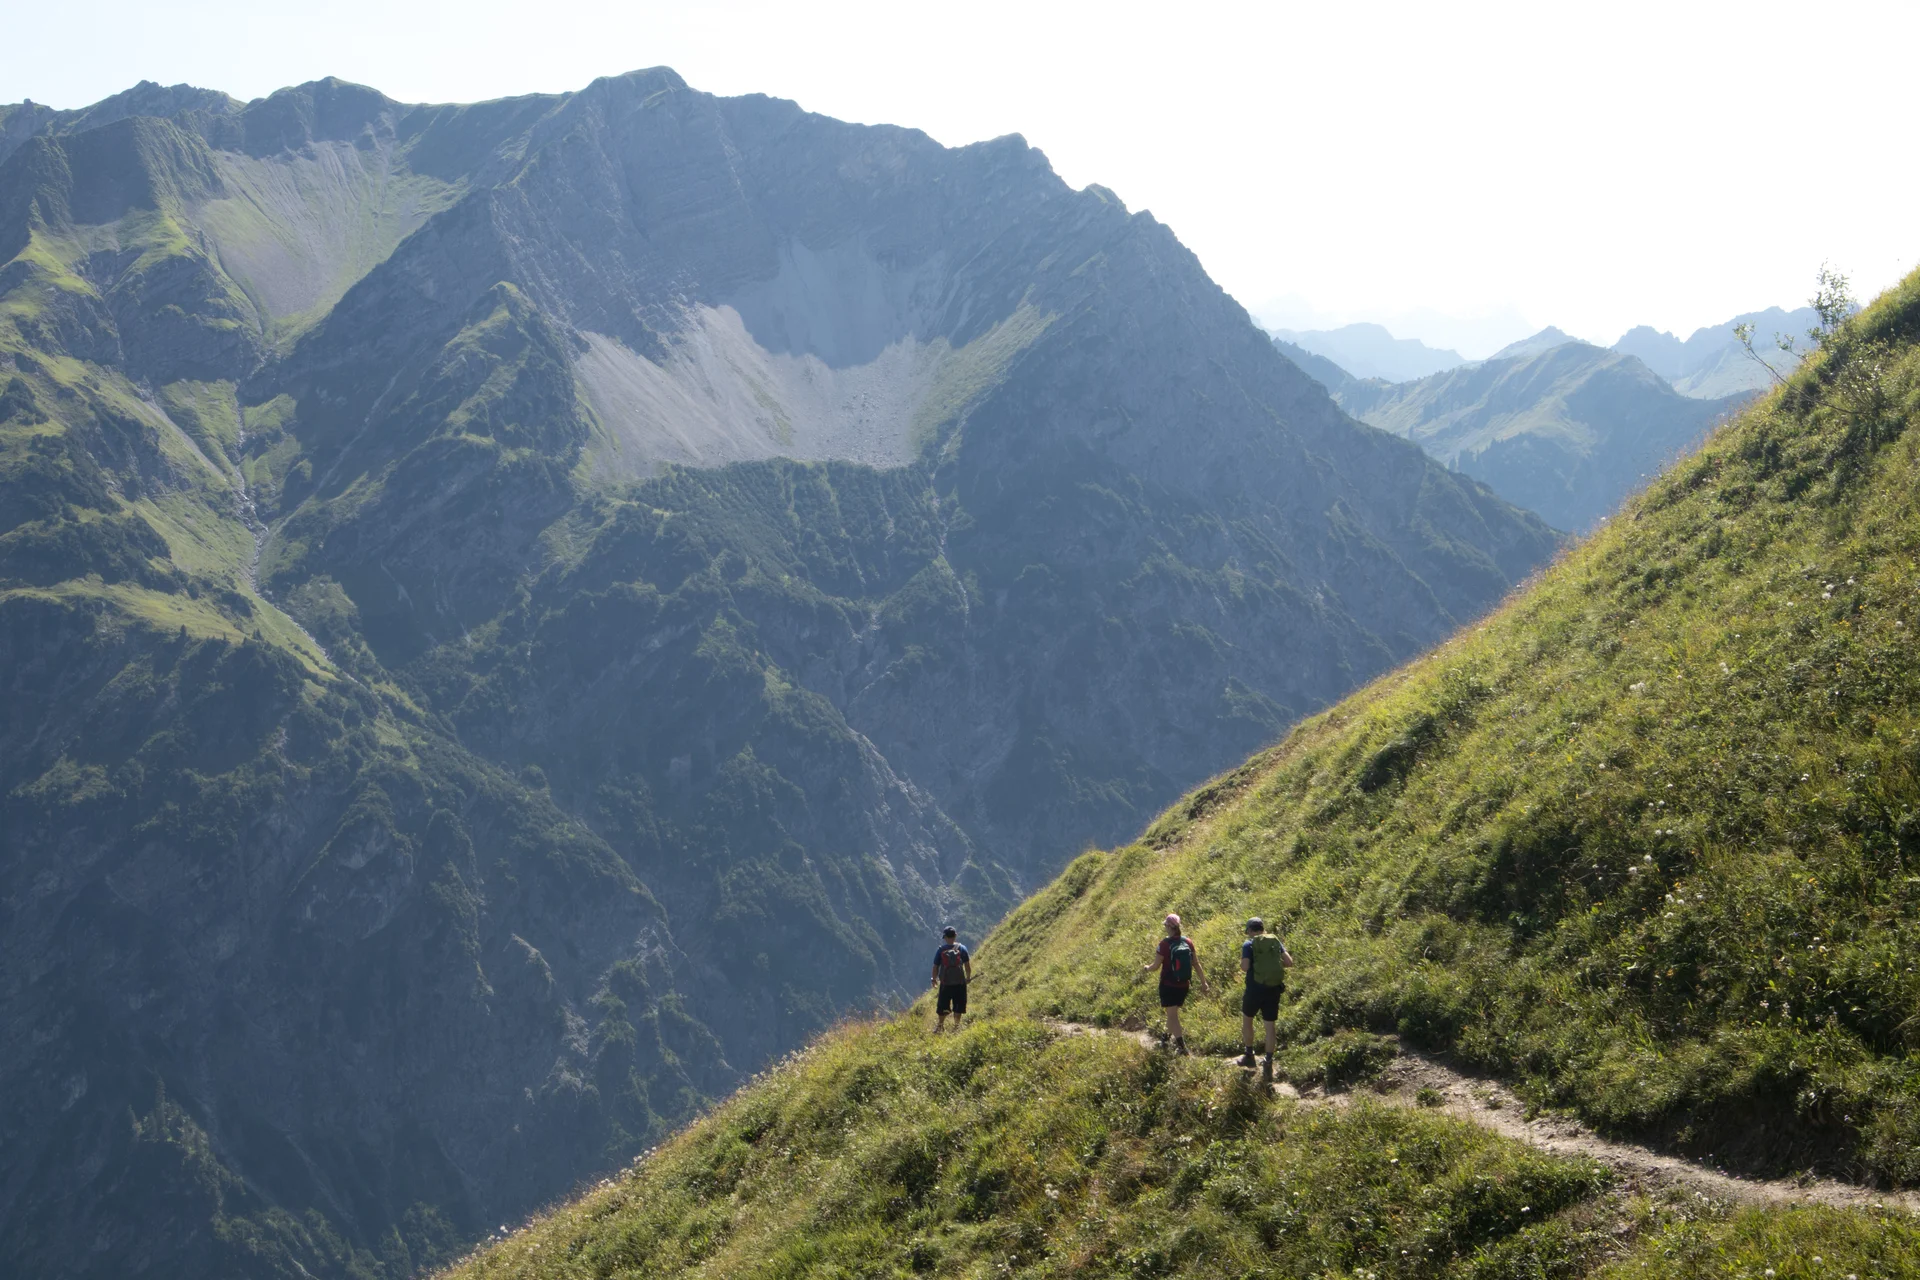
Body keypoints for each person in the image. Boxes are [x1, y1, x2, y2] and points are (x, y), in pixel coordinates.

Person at [1139, 912, 1211, 1053]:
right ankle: (1165, 1039)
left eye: (1165, 925)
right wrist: (1204, 983)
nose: (1165, 927)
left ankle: (1182, 1048)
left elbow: (1155, 967)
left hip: (1168, 985)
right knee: (1171, 1013)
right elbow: (1196, 963)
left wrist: (1146, 968)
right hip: (1183, 985)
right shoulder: (1188, 942)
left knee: (1173, 1016)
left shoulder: (1164, 944)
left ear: (1169, 927)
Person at [1238, 916, 1293, 1072]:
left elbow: (1245, 967)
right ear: (1262, 928)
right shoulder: (1275, 941)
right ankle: (1268, 1059)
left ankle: (1249, 1054)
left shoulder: (1249, 944)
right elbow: (1289, 962)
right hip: (1273, 989)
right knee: (1270, 1026)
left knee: (1247, 1020)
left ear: (1249, 930)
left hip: (1254, 990)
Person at [931, 926, 972, 1032]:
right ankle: (957, 1026)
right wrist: (968, 978)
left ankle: (940, 1026)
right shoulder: (962, 948)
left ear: (945, 937)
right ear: (955, 936)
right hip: (960, 983)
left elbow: (936, 966)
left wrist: (934, 979)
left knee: (943, 1005)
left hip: (946, 983)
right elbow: (967, 965)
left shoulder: (941, 950)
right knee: (959, 1004)